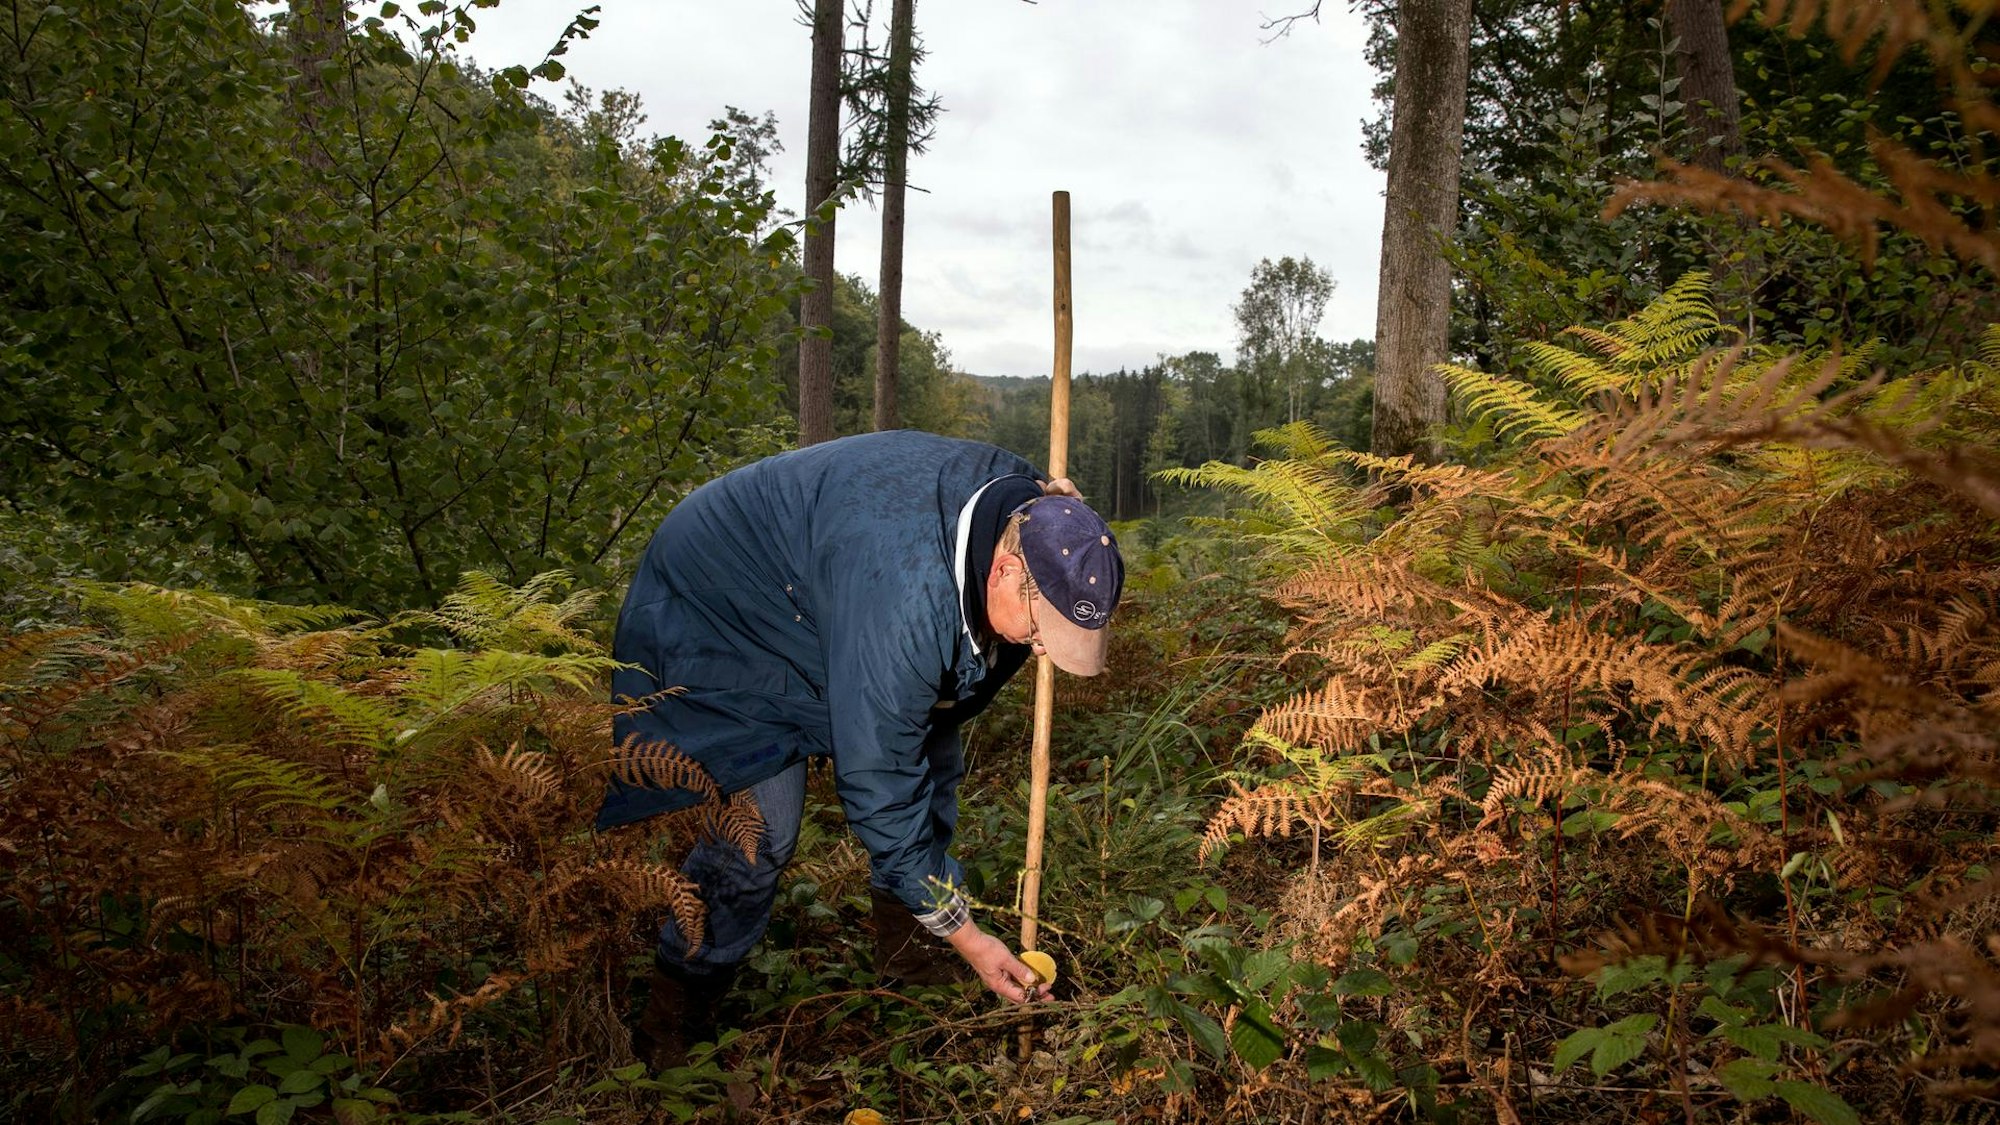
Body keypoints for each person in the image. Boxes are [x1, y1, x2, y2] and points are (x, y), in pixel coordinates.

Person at [596, 430, 1125, 1068]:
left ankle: (908, 960)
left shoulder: (1034, 509)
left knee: (932, 764)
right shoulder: (904, 605)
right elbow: (878, 781)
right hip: (725, 607)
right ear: (1005, 570)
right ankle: (675, 1017)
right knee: (762, 835)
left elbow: (918, 745)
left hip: (829, 583)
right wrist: (970, 936)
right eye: (1042, 629)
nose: (1041, 650)